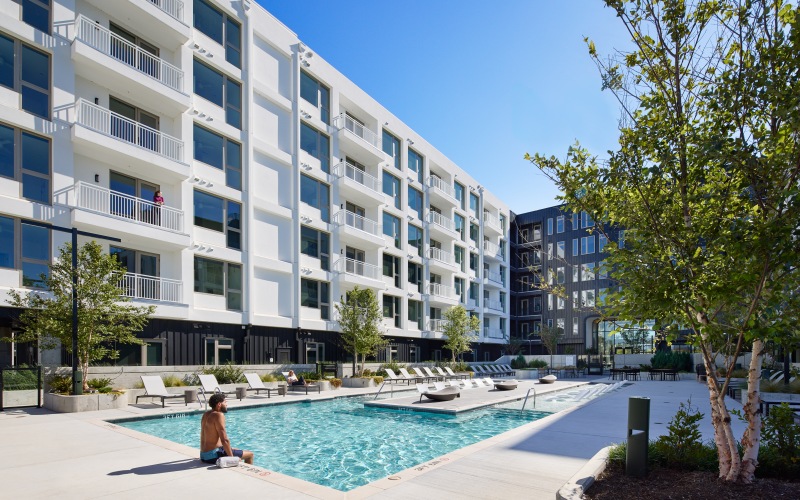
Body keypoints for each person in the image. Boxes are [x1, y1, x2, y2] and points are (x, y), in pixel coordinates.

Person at [200, 393, 254, 465]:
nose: (226, 404)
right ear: (219, 404)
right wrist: (232, 458)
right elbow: (224, 440)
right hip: (213, 456)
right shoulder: (218, 415)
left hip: (203, 455)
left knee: (236, 450)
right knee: (250, 455)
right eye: (225, 402)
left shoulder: (206, 414)